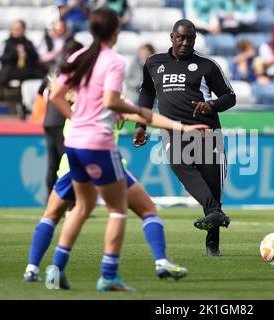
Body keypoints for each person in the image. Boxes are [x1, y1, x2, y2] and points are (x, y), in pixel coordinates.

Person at [47, 8, 207, 292]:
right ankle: (110, 274)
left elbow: (56, 95)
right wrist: (162, 121)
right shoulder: (113, 61)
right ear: (116, 31)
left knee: (81, 209)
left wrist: (74, 119)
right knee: (127, 209)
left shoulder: (77, 57)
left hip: (75, 145)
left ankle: (55, 271)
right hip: (98, 145)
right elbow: (112, 101)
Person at [24, 105, 203, 282]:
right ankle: (142, 267)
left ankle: (35, 269)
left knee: (58, 215)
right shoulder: (109, 96)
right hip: (103, 160)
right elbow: (144, 116)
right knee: (141, 209)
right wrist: (183, 127)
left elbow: (56, 94)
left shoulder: (78, 98)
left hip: (71, 165)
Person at [132, 19, 236, 257]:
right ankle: (215, 216)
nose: (185, 42)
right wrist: (141, 124)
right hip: (174, 132)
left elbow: (230, 97)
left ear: (195, 39)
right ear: (172, 37)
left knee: (213, 189)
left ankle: (213, 246)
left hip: (206, 133)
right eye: (181, 37)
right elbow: (147, 93)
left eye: (190, 38)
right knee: (180, 165)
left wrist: (210, 105)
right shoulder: (154, 63)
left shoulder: (207, 66)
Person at [43, 40, 83, 196]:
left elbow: (43, 91)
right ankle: (69, 202)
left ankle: (50, 202)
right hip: (63, 121)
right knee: (68, 164)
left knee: (53, 165)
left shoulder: (56, 69)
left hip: (49, 120)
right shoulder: (73, 71)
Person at [0, 20, 43, 89]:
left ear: (23, 30)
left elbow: (35, 58)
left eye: (18, 29)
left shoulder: (28, 43)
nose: (16, 31)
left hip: (27, 70)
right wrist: (16, 53)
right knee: (5, 72)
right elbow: (2, 58)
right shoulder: (6, 43)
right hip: (11, 70)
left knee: (40, 73)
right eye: (14, 29)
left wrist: (26, 54)